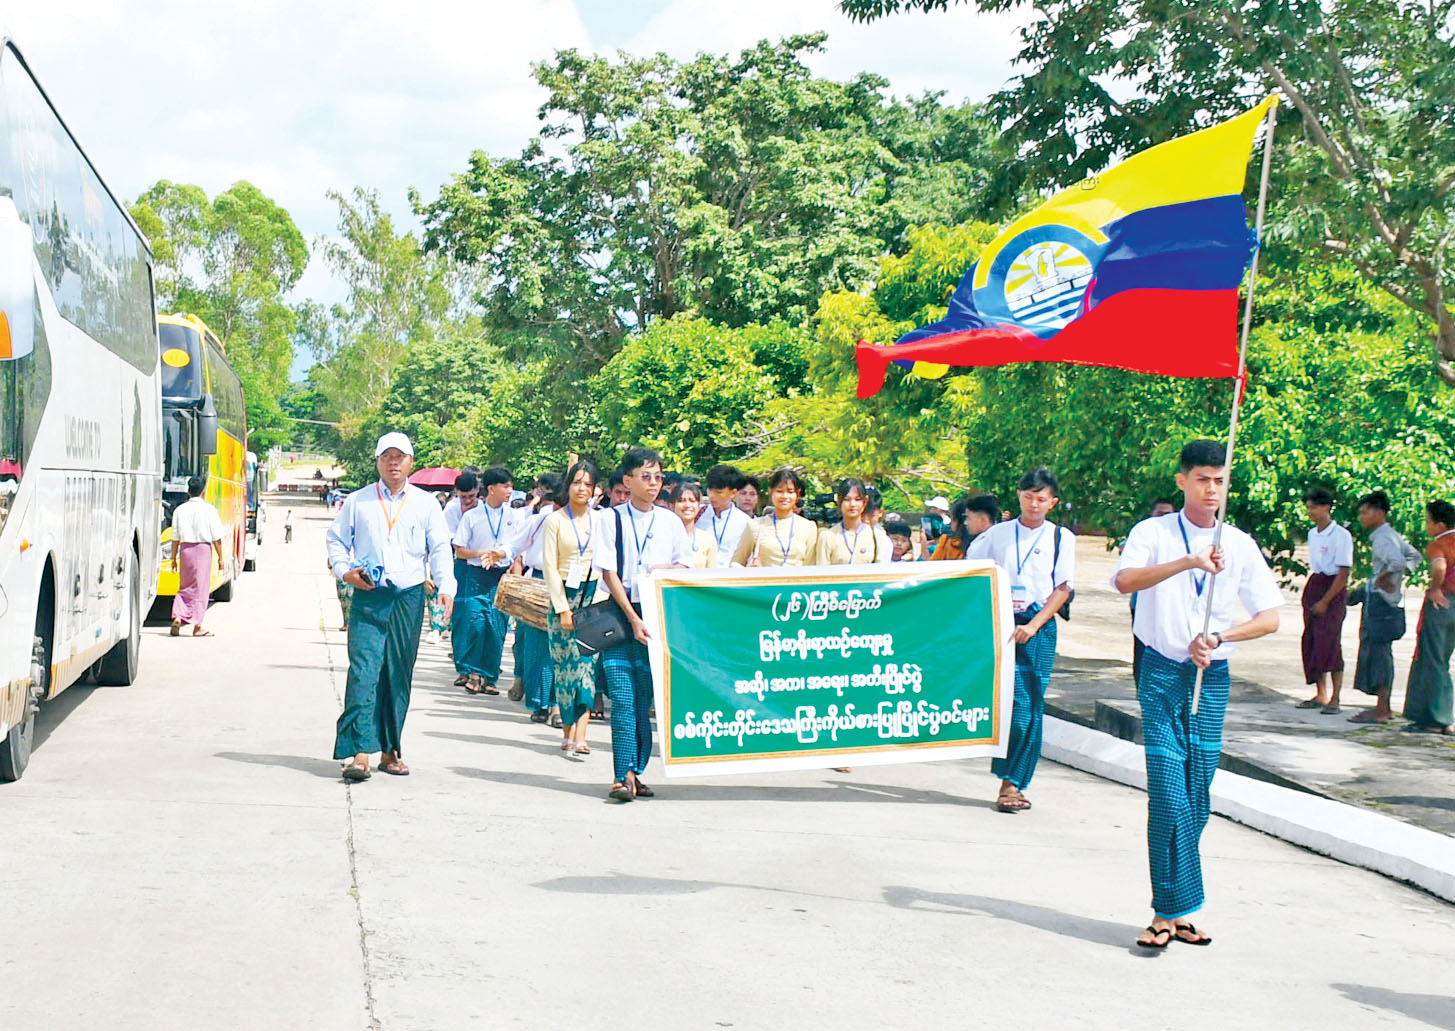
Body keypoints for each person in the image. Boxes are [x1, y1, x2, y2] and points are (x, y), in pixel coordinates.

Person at [1112, 440, 1282, 948]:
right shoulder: (1153, 533)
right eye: (1203, 479)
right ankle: (1166, 911)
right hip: (1161, 673)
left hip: (1211, 676)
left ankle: (1177, 911)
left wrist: (1220, 637)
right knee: (1168, 791)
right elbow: (1125, 581)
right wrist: (1187, 561)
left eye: (1219, 480)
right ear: (1182, 480)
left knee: (1197, 793)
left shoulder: (1241, 544)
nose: (1212, 489)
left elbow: (1270, 618)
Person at [327, 432, 456, 781]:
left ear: (411, 462)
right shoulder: (359, 501)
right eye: (387, 456)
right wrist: (345, 571)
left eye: (400, 456)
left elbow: (440, 547)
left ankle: (390, 749)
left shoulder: (426, 504)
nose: (393, 462)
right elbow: (336, 539)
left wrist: (446, 586)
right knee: (364, 671)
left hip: (408, 596)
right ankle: (359, 752)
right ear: (378, 461)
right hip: (370, 593)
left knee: (397, 673)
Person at [967, 467, 1074, 814]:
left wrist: (1035, 625)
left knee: (1029, 706)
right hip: (1001, 622)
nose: (1034, 504)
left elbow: (1062, 589)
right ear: (1019, 496)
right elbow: (970, 572)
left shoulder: (1061, 538)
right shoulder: (997, 534)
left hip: (1037, 626)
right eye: (1028, 497)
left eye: (1041, 499)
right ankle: (1007, 775)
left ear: (1052, 502)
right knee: (1007, 703)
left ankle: (1012, 782)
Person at [595, 447, 692, 801]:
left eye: (658, 477)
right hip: (622, 614)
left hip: (658, 615)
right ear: (628, 480)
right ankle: (621, 775)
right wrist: (633, 618)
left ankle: (636, 770)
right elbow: (609, 572)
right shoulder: (610, 519)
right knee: (621, 697)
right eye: (646, 477)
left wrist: (662, 570)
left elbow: (685, 564)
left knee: (644, 698)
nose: (653, 484)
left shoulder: (669, 521)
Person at [543, 461, 601, 758]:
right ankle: (567, 729)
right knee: (566, 668)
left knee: (587, 666)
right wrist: (562, 608)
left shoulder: (601, 520)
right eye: (577, 482)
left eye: (588, 484)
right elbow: (549, 566)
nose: (582, 489)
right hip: (564, 596)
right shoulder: (555, 520)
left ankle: (581, 733)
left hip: (593, 597)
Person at [1348, 491, 1421, 724]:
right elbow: (1415, 557)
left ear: (1380, 513)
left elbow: (1397, 562)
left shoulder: (1383, 538)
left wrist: (1385, 577)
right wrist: (1396, 577)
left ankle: (1381, 710)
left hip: (1381, 604)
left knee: (1378, 655)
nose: (1362, 517)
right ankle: (1383, 707)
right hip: (1387, 601)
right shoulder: (1391, 535)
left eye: (1365, 512)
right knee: (1381, 653)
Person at [452, 466, 522, 695]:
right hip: (476, 574)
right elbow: (459, 549)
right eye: (505, 486)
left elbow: (517, 550)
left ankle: (490, 677)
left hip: (501, 576)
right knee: (475, 622)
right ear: (491, 489)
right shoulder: (472, 516)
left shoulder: (514, 516)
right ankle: (473, 673)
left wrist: (513, 573)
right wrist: (482, 553)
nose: (509, 491)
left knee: (496, 625)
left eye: (511, 486)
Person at [505, 472, 563, 723]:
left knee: (560, 646)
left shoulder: (587, 522)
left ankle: (557, 704)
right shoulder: (540, 519)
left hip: (570, 584)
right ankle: (540, 702)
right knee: (536, 646)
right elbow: (514, 548)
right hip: (537, 582)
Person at [1297, 488, 1353, 713]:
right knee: (1312, 639)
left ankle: (1336, 697)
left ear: (1327, 508)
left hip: (1333, 586)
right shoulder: (1313, 534)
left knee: (1330, 640)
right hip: (1317, 582)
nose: (1310, 511)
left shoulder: (1341, 535)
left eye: (1314, 507)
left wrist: (1326, 601)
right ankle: (1320, 693)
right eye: (1308, 507)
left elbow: (1343, 571)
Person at [1403, 500, 1455, 734]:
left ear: (1439, 524)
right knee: (1442, 659)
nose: (1426, 526)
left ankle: (1436, 718)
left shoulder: (1439, 544)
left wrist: (1435, 588)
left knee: (1432, 660)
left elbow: (1439, 566)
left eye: (1428, 521)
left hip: (1443, 603)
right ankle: (1437, 715)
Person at [168, 475, 225, 637]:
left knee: (185, 586)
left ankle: (178, 616)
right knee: (201, 589)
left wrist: (173, 558)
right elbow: (216, 538)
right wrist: (221, 558)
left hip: (185, 550)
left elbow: (175, 537)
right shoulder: (209, 510)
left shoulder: (180, 510)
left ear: (188, 491)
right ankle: (197, 626)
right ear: (203, 491)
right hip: (202, 551)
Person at [1131, 499, 1178, 687]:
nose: (1164, 518)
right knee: (1143, 650)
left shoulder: (1178, 539)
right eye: (1160, 514)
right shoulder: (1144, 534)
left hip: (1171, 605)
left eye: (1169, 514)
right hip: (1143, 606)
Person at [442, 469, 482, 686]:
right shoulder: (451, 509)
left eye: (471, 496)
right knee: (460, 616)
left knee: (478, 618)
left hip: (481, 565)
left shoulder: (484, 508)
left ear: (478, 491)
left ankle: (478, 666)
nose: (467, 501)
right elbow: (450, 539)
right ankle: (462, 667)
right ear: (456, 493)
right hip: (460, 564)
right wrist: (466, 517)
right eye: (463, 497)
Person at [731, 467, 818, 567]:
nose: (784, 496)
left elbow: (811, 566)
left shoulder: (808, 527)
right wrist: (749, 571)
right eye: (779, 491)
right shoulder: (755, 525)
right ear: (770, 491)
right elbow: (736, 562)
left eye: (790, 492)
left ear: (797, 494)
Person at [815, 477, 891, 565]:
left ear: (865, 501)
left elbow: (881, 570)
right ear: (839, 501)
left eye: (857, 499)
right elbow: (822, 570)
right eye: (847, 499)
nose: (852, 504)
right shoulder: (828, 537)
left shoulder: (877, 536)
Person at [704, 464, 751, 568]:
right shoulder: (698, 515)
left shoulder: (744, 522)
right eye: (710, 490)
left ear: (733, 493)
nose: (712, 495)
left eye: (719, 492)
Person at [670, 480, 718, 568]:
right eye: (681, 501)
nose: (687, 505)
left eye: (692, 501)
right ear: (672, 506)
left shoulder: (708, 539)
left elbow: (712, 572)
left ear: (699, 506)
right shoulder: (664, 537)